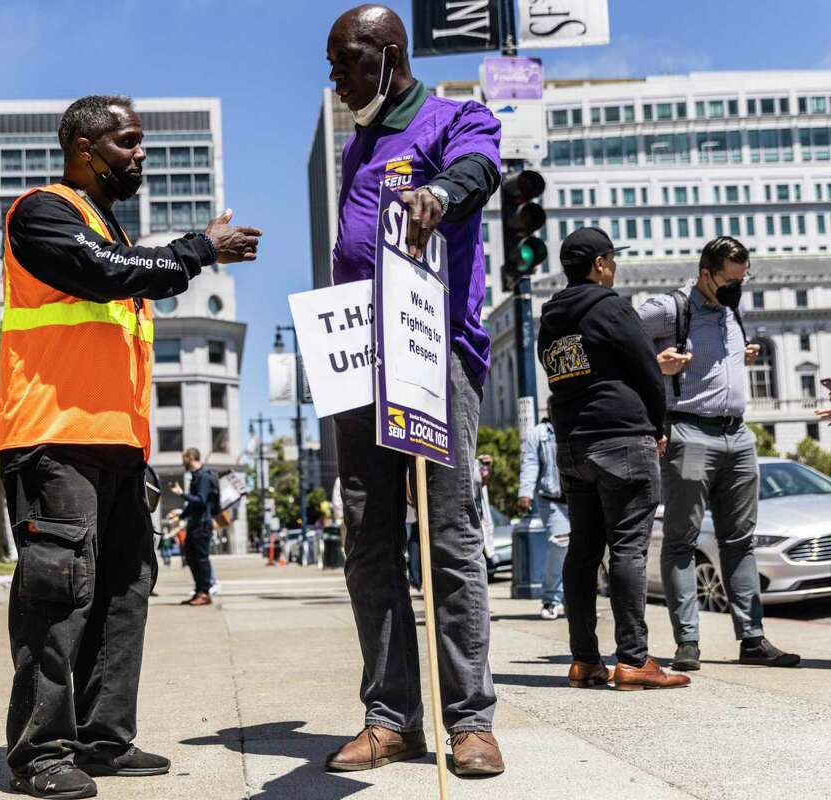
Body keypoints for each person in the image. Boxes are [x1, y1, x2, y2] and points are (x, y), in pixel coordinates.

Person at [0, 94, 261, 799]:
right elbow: (102, 270)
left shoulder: (111, 231)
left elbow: (122, 280)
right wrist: (201, 249)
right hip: (53, 438)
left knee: (124, 592)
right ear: (85, 147)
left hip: (117, 447)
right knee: (59, 595)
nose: (141, 154)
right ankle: (40, 753)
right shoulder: (42, 212)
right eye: (129, 142)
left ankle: (104, 739)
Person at [322, 5, 505, 776]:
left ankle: (470, 722)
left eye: (345, 62)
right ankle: (391, 717)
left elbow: (479, 169)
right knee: (367, 539)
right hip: (360, 359)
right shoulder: (357, 144)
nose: (335, 79)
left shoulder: (454, 117)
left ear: (388, 54)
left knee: (450, 536)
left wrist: (440, 193)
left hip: (433, 356)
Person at [637, 236, 800, 670]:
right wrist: (656, 362)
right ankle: (688, 641)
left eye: (742, 280)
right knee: (682, 539)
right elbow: (617, 341)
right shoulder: (672, 309)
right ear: (705, 274)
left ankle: (752, 639)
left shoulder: (733, 312)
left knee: (740, 540)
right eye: (729, 281)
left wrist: (739, 356)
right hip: (691, 436)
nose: (736, 288)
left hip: (739, 439)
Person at [538, 228, 690, 692]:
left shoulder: (551, 316)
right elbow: (645, 368)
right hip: (623, 438)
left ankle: (584, 660)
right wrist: (659, 426)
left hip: (574, 444)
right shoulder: (612, 306)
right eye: (611, 260)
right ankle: (633, 660)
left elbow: (563, 372)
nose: (614, 267)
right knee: (627, 547)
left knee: (583, 550)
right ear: (601, 264)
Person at [517, 418, 569, 620]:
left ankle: (578, 599)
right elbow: (530, 463)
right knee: (559, 544)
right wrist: (525, 493)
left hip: (581, 496)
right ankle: (551, 599)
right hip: (552, 499)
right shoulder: (538, 433)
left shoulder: (576, 422)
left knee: (583, 550)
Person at [171, 448, 218, 607]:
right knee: (191, 558)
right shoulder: (196, 476)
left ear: (190, 457)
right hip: (195, 524)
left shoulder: (203, 476)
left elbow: (201, 500)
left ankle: (204, 593)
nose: (182, 461)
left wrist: (181, 494)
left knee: (201, 559)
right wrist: (180, 516)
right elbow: (193, 505)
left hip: (202, 525)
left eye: (184, 458)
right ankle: (199, 591)